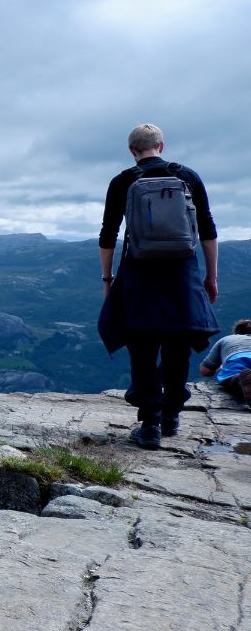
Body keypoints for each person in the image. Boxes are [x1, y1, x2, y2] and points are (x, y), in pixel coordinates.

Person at [98, 123, 219, 449]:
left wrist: (108, 280)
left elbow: (108, 234)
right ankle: (171, 418)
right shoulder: (188, 177)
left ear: (132, 151)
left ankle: (149, 425)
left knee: (142, 346)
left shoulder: (123, 181)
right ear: (161, 146)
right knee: (178, 343)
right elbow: (207, 228)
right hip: (182, 274)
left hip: (139, 274)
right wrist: (211, 276)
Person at [199, 319, 251, 406]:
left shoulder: (226, 339)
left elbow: (205, 370)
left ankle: (240, 380)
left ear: (236, 333)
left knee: (234, 377)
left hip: (237, 360)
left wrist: (219, 369)